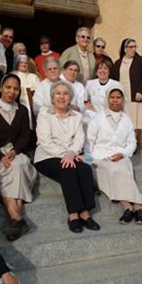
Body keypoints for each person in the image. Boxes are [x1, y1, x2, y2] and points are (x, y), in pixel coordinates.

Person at [34, 81, 100, 233]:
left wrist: (72, 153)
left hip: (71, 153)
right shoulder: (44, 115)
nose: (61, 97)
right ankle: (73, 215)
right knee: (68, 169)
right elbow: (45, 142)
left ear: (70, 98)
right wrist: (66, 155)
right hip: (47, 155)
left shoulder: (77, 116)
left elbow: (79, 138)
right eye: (58, 93)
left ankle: (85, 213)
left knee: (84, 168)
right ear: (52, 97)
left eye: (65, 94)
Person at [0, 74, 38, 241]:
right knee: (3, 170)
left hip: (16, 151)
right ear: (1, 88)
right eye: (8, 87)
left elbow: (26, 136)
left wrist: (15, 151)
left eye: (15, 88)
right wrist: (0, 156)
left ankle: (15, 220)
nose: (11, 91)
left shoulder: (22, 110)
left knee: (20, 165)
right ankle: (17, 218)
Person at [85, 84, 142, 224]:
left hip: (120, 155)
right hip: (100, 157)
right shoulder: (98, 118)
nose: (115, 100)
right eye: (112, 97)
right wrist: (89, 161)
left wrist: (123, 154)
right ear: (108, 99)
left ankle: (130, 208)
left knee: (122, 167)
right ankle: (135, 206)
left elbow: (132, 143)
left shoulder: (127, 120)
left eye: (118, 97)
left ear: (123, 100)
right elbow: (89, 141)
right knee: (114, 169)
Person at [110, 38, 142, 141]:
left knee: (134, 120)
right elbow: (113, 78)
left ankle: (133, 142)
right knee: (122, 118)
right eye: (131, 47)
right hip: (122, 93)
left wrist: (140, 91)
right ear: (125, 48)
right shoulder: (118, 62)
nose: (133, 49)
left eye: (135, 47)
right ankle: (122, 140)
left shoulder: (140, 61)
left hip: (134, 93)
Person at [13, 54, 40, 126]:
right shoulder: (12, 75)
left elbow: (39, 93)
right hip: (18, 105)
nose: (23, 64)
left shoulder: (34, 76)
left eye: (25, 63)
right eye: (21, 62)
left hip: (33, 106)